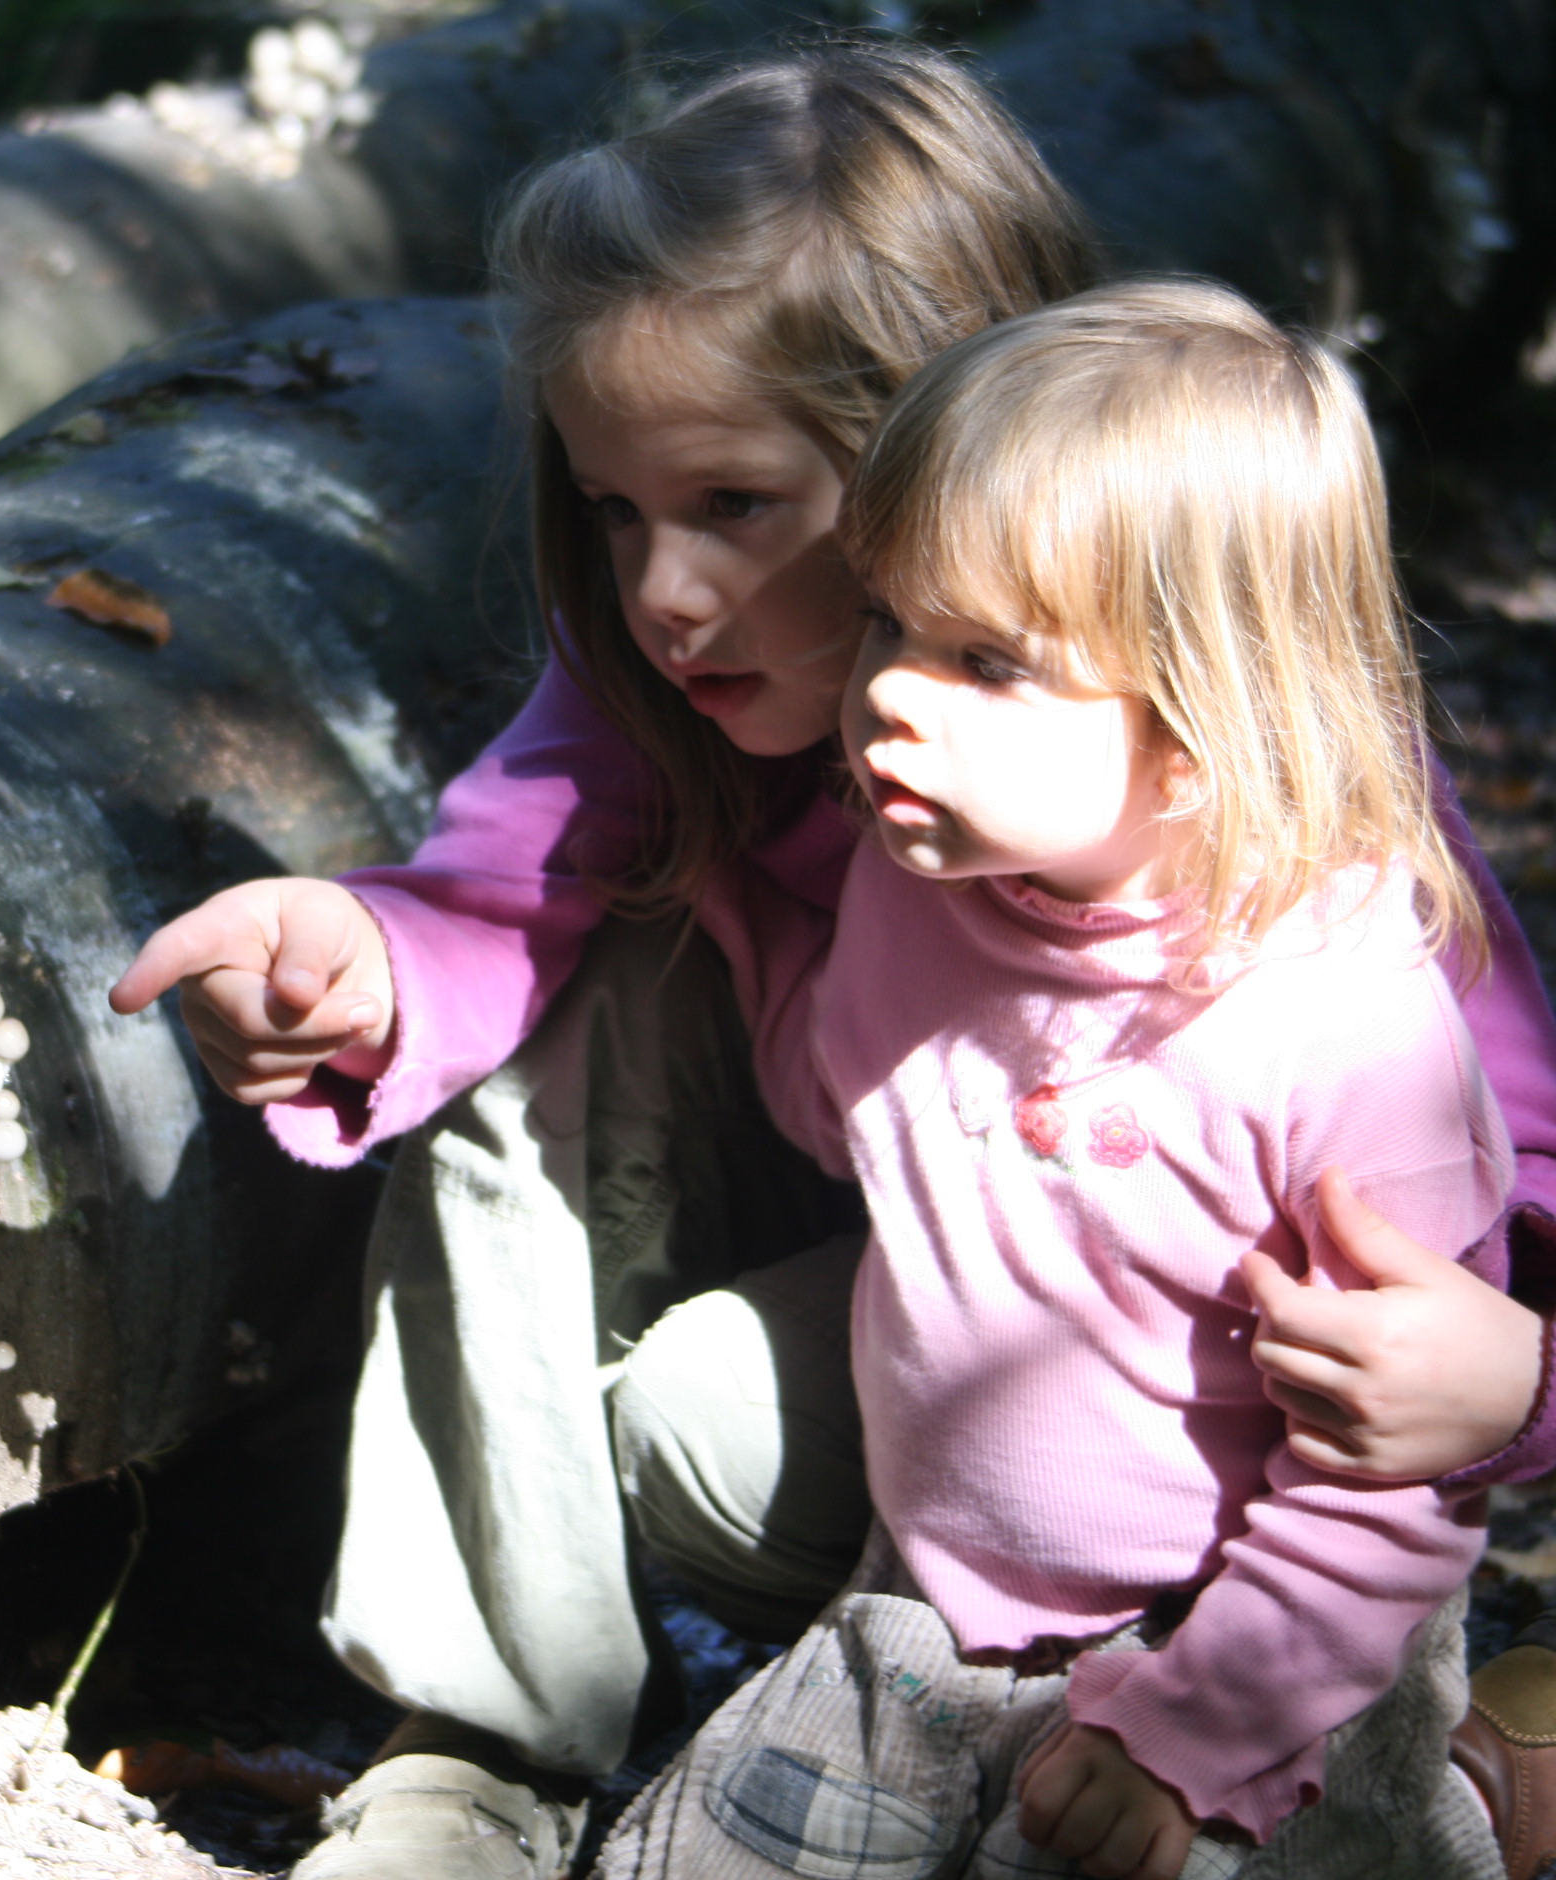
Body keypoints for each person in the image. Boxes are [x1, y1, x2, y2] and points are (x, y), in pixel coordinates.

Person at [104, 41, 1556, 1880]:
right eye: (616, 511)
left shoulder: (1285, 804)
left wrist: (1519, 1383)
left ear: (940, 453)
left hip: (1240, 1425)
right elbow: (498, 889)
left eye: (735, 504)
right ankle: (490, 1732)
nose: (661, 593)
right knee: (582, 1012)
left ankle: (1466, 1767)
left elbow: (1494, 1175)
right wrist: (357, 961)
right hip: (929, 1325)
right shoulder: (668, 692)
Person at [595, 277, 1503, 1880]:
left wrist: (1196, 1736)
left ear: (1204, 728)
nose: (889, 689)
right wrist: (721, 895)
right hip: (926, 1601)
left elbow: (1392, 1488)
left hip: (1246, 1645)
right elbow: (849, 1112)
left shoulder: (1342, 1022)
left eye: (989, 662)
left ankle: (1481, 1785)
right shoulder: (919, 887)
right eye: (888, 621)